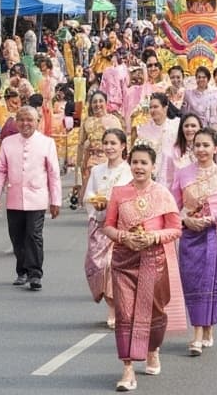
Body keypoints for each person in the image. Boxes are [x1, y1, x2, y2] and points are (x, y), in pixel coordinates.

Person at [101, 144, 184, 392]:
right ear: (130, 164)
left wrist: (154, 237)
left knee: (154, 313)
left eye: (143, 163)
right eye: (135, 162)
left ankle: (152, 349)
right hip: (123, 261)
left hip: (154, 261)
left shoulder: (162, 194)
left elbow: (176, 229)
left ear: (152, 166)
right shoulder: (118, 193)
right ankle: (127, 369)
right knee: (125, 315)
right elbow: (108, 226)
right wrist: (123, 237)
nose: (139, 167)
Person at [170, 127, 217, 356]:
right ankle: (204, 327)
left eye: (206, 145)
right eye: (197, 145)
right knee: (192, 283)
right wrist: (185, 221)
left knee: (208, 283)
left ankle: (198, 336)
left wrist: (213, 219)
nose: (201, 149)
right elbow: (173, 206)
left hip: (215, 234)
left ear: (215, 148)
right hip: (190, 236)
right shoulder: (182, 174)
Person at [0, 105, 61, 291]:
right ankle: (22, 271)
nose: (25, 123)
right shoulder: (8, 142)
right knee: (17, 237)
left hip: (37, 197)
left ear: (37, 122)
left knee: (34, 235)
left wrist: (55, 201)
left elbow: (53, 174)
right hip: (14, 198)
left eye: (29, 119)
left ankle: (35, 273)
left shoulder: (47, 143)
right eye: (21, 119)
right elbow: (0, 171)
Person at [85, 128, 132, 328]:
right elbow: (88, 196)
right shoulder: (97, 171)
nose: (109, 147)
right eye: (106, 143)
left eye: (114, 143)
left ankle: (115, 309)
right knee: (97, 266)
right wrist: (96, 205)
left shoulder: (130, 171)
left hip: (120, 226)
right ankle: (111, 303)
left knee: (114, 266)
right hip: (100, 224)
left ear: (122, 146)